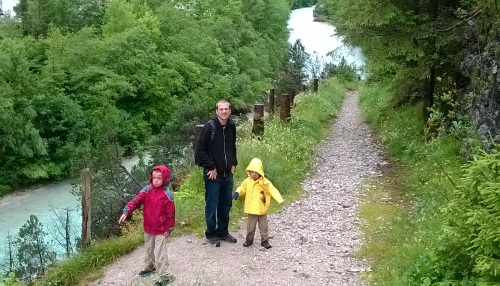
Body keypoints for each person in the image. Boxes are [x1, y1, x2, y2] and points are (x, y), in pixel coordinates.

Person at [118, 165, 176, 286]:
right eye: (154, 177)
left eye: (159, 178)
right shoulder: (146, 190)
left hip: (161, 230)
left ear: (165, 179)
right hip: (148, 228)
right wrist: (126, 211)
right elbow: (136, 201)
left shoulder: (167, 195)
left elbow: (170, 214)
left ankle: (166, 276)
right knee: (149, 250)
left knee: (160, 254)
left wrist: (169, 229)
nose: (156, 180)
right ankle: (150, 267)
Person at [194, 99, 238, 246]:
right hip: (213, 175)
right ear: (216, 111)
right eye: (221, 109)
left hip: (227, 173)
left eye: (226, 109)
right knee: (212, 205)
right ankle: (211, 233)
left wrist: (234, 163)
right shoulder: (210, 127)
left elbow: (232, 147)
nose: (224, 111)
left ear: (230, 111)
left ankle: (223, 232)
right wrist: (210, 166)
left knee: (226, 204)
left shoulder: (232, 126)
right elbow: (200, 151)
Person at [232, 158, 284, 249]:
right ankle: (249, 240)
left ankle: (265, 241)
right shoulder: (247, 181)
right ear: (249, 172)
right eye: (252, 172)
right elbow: (242, 188)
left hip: (262, 209)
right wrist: (237, 193)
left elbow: (272, 189)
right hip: (251, 209)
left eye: (256, 172)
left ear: (260, 172)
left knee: (264, 227)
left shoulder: (265, 182)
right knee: (250, 227)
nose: (254, 174)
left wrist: (279, 199)